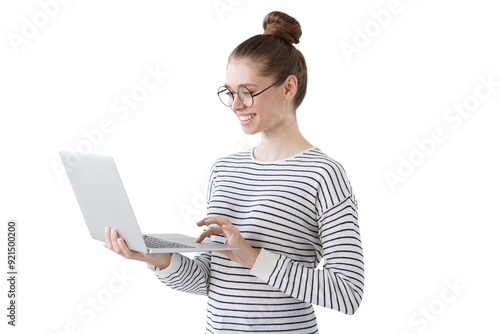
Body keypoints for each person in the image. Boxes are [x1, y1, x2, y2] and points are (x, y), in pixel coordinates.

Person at [104, 10, 364, 333]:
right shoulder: (224, 170)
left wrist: (253, 257)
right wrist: (158, 259)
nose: (235, 105)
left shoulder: (324, 175)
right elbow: (210, 281)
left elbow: (348, 292)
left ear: (288, 87)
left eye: (247, 91)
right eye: (230, 92)